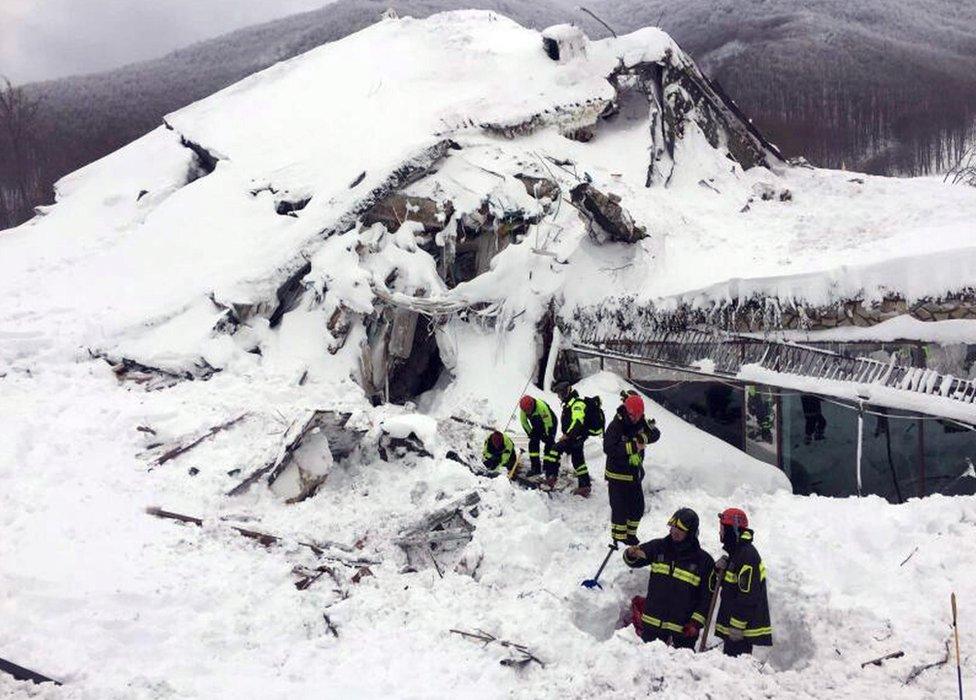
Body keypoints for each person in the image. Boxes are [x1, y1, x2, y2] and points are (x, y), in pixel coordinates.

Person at [623, 508, 715, 649]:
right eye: (672, 527)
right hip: (652, 625)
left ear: (690, 533)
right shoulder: (659, 547)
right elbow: (634, 559)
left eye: (680, 529)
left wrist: (695, 624)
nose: (674, 532)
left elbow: (706, 598)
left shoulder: (704, 561)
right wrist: (631, 554)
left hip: (683, 631)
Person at [714, 508, 772, 657]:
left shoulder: (747, 556)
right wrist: (719, 570)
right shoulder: (737, 553)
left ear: (732, 530)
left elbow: (748, 594)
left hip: (740, 631)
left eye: (722, 528)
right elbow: (731, 587)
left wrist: (737, 625)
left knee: (735, 669)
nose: (720, 533)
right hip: (734, 627)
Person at [602, 391, 659, 545]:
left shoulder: (641, 421)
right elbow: (608, 448)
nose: (635, 419)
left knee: (637, 507)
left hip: (634, 474)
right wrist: (633, 446)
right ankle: (618, 539)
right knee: (619, 509)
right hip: (617, 475)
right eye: (633, 415)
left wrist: (644, 437)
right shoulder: (616, 425)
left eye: (638, 416)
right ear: (627, 411)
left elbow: (656, 433)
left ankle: (630, 535)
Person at [554, 384, 595, 497]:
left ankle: (551, 478)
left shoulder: (577, 404)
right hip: (574, 436)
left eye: (560, 394)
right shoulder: (569, 403)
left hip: (575, 437)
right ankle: (585, 485)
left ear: (566, 392)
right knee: (578, 461)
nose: (559, 397)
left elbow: (577, 421)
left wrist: (567, 435)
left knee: (555, 450)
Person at [518, 395, 559, 481]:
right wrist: (530, 433)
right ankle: (535, 468)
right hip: (536, 425)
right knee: (533, 443)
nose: (527, 412)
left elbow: (548, 422)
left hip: (550, 423)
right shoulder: (523, 410)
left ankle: (548, 467)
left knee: (549, 444)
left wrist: (548, 435)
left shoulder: (541, 407)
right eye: (526, 411)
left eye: (529, 410)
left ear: (532, 405)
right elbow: (524, 422)